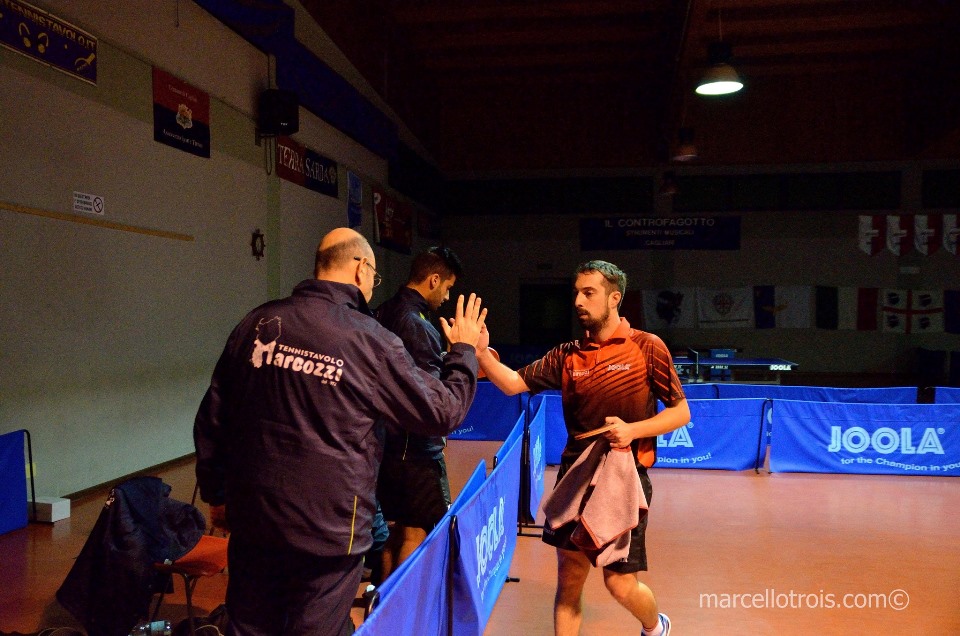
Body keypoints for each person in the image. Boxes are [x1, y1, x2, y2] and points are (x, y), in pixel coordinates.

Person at [193, 228, 486, 636]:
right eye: (374, 275)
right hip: (328, 534)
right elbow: (442, 411)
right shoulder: (370, 341)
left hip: (254, 521)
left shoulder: (257, 321)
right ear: (360, 268)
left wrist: (218, 494)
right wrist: (464, 352)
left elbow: (213, 418)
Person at [475, 260, 689, 636]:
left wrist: (633, 430)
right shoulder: (567, 355)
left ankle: (656, 627)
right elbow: (511, 383)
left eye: (588, 293)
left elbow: (680, 412)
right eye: (576, 292)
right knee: (570, 580)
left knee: (619, 584)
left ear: (614, 298)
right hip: (575, 479)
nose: (578, 300)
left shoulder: (646, 347)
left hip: (626, 480)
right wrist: (479, 354)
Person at [373, 246, 464, 579]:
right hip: (415, 449)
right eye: (448, 287)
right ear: (434, 279)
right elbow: (431, 396)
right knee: (419, 530)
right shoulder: (418, 324)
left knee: (394, 531)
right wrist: (459, 359)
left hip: (384, 445)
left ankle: (380, 614)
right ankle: (399, 617)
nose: (447, 295)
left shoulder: (381, 312)